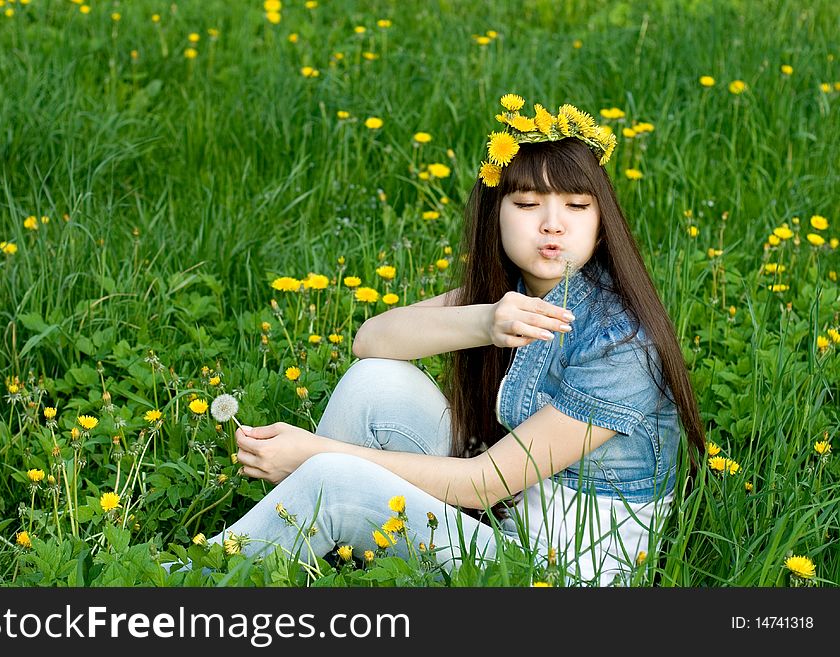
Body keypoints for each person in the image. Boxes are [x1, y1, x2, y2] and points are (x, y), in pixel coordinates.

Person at [166, 96, 705, 586]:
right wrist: (485, 321)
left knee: (333, 476)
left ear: (602, 223)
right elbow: (371, 340)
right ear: (495, 215)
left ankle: (185, 584)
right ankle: (306, 543)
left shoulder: (621, 342)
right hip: (514, 518)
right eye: (527, 204)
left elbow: (483, 484)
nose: (552, 225)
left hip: (554, 573)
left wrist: (313, 453)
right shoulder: (518, 296)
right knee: (375, 382)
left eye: (575, 206)